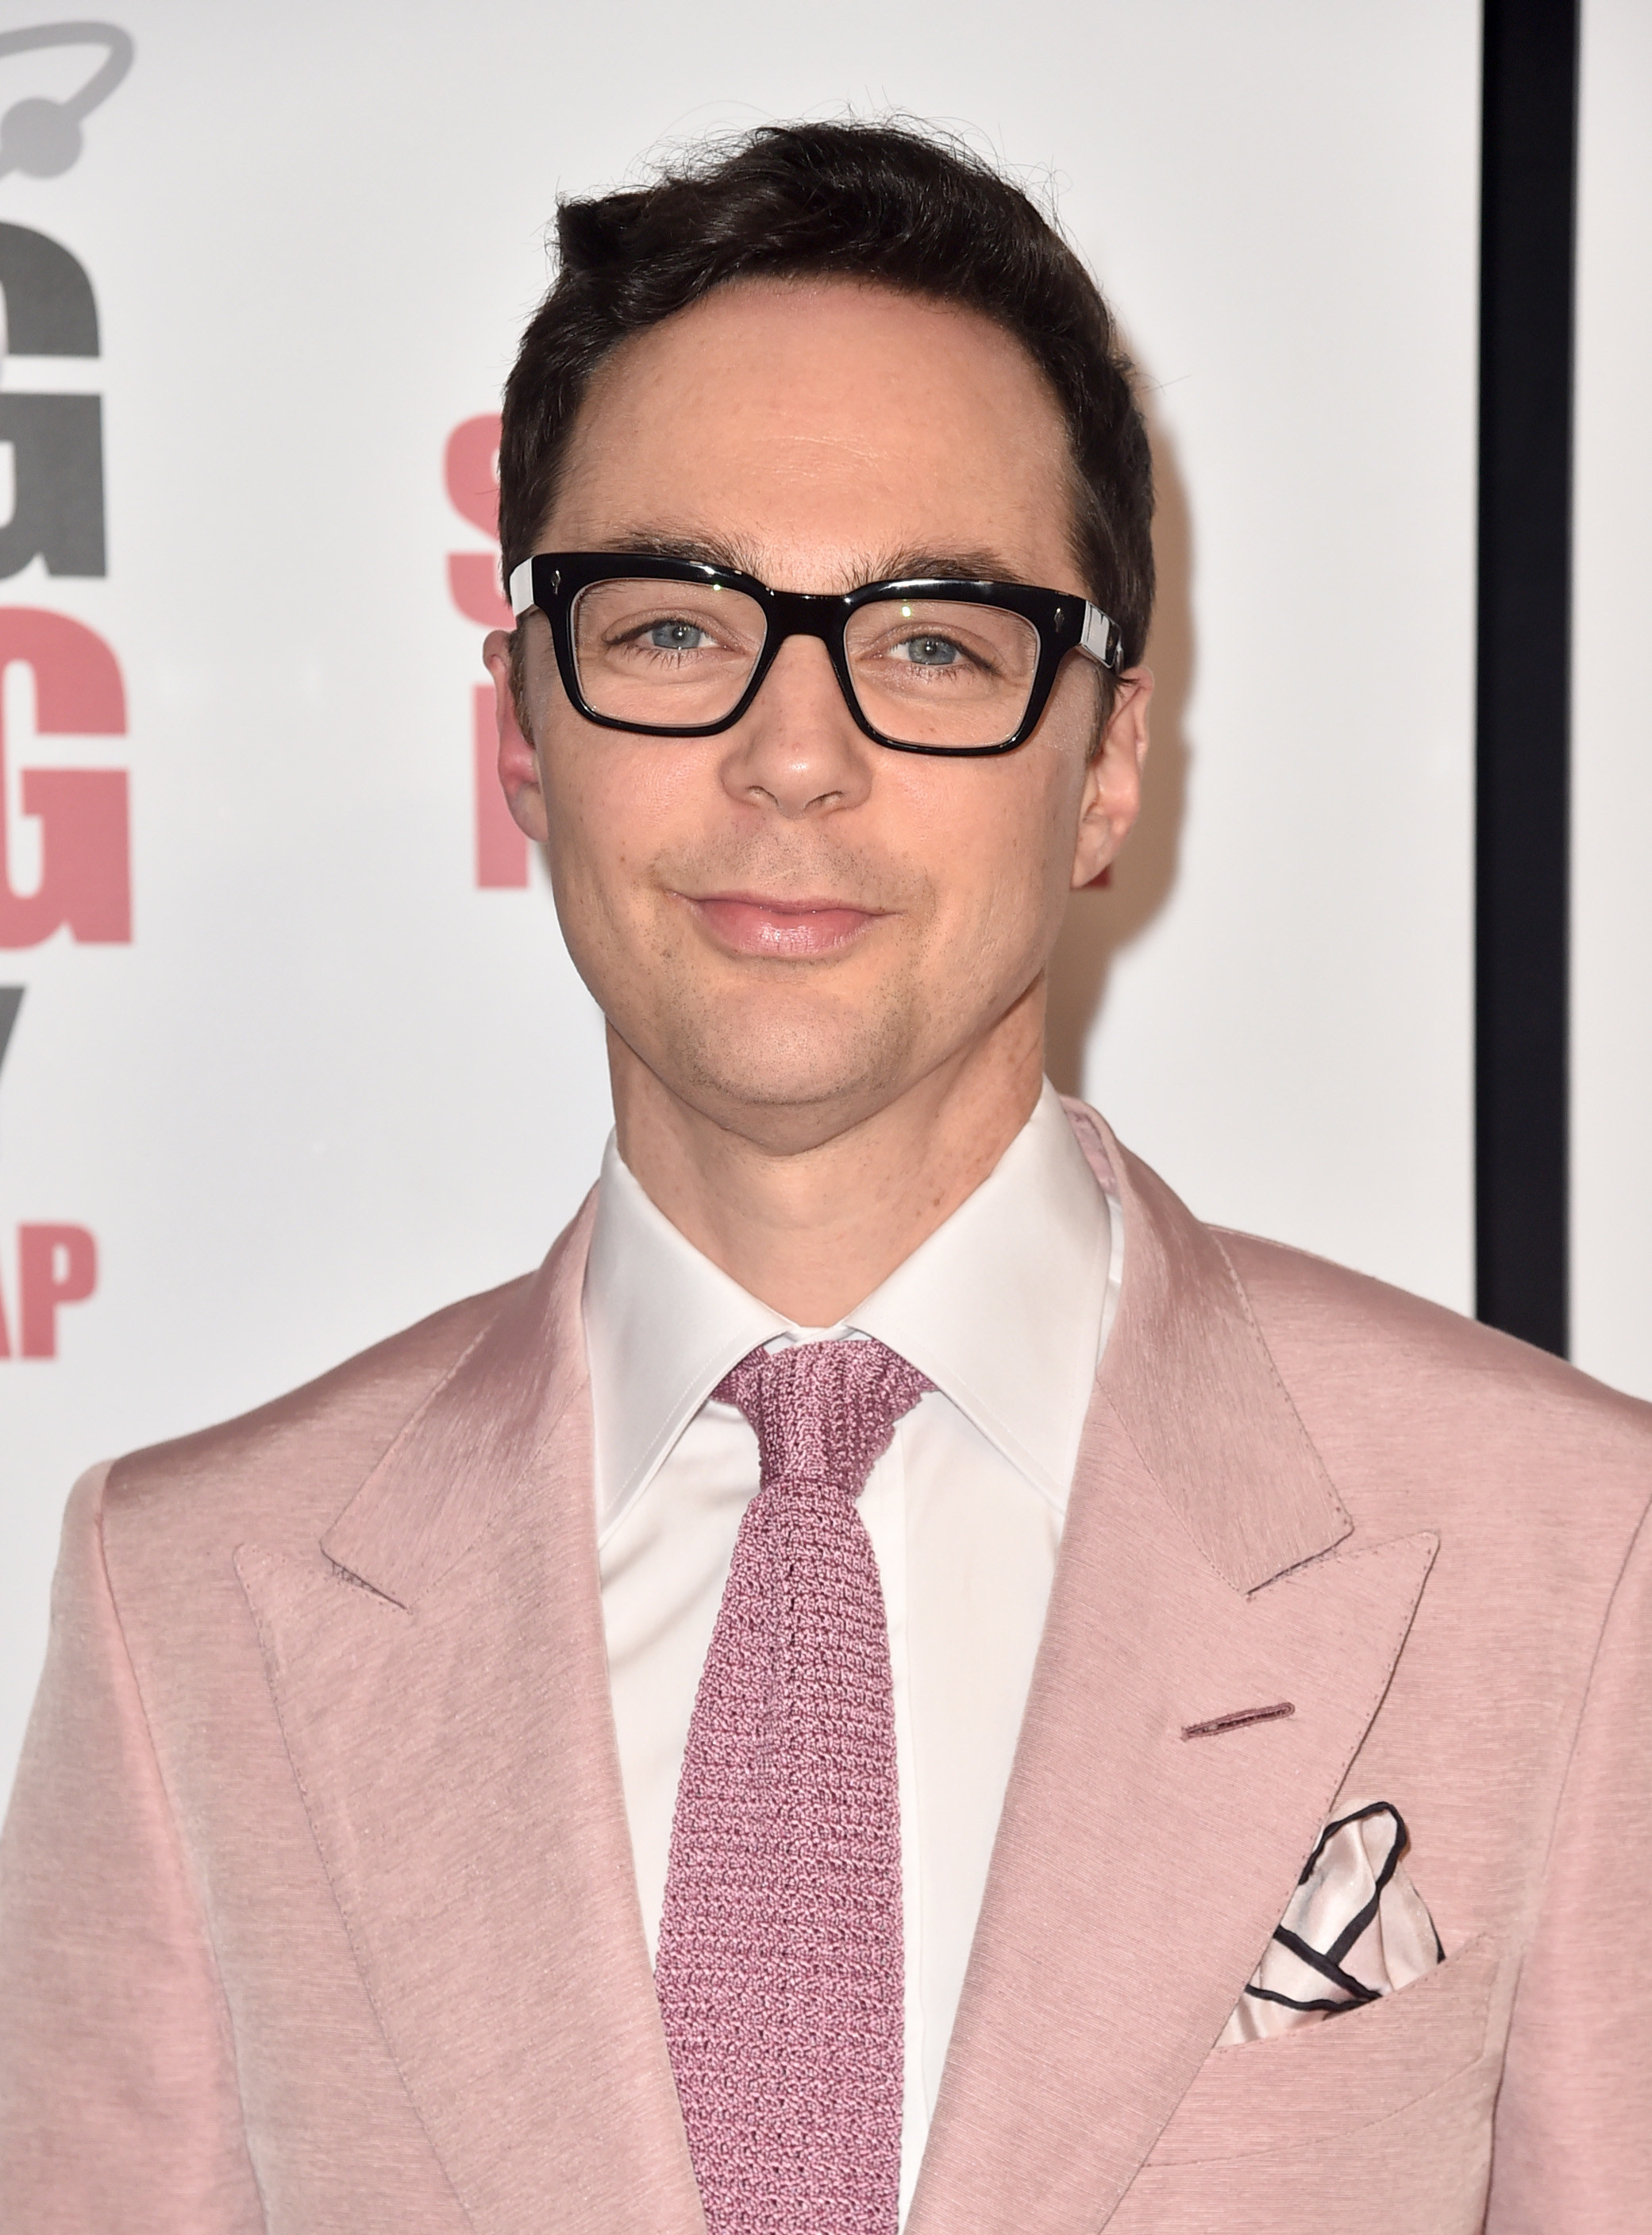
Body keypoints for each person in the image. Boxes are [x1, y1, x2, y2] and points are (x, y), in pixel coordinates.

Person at [0, 119, 1647, 2235]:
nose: (797, 754)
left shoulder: (1569, 1557)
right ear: (520, 719)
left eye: (935, 643)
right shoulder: (193, 1604)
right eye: (679, 629)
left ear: (1106, 766)